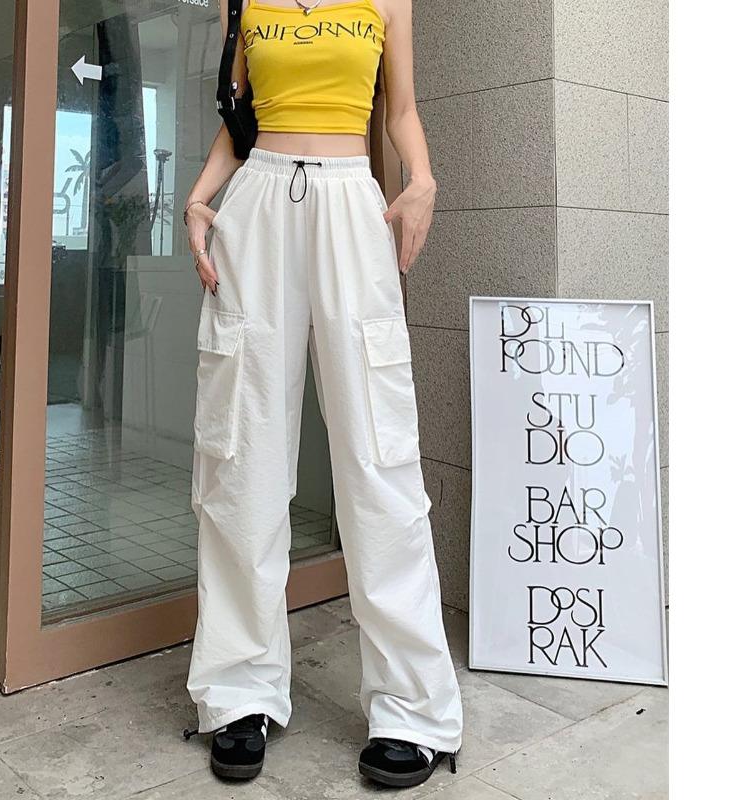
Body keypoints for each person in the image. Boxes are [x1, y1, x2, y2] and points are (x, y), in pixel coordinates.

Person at [182, 0, 463, 788]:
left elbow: (399, 109)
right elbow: (239, 123)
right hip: (259, 204)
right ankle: (240, 691)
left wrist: (423, 178)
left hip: (350, 202)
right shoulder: (248, 2)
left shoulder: (388, 1)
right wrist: (200, 198)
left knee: (379, 454)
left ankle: (412, 707)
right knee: (241, 454)